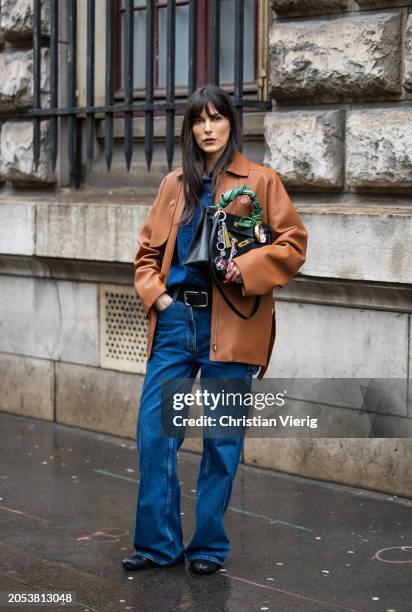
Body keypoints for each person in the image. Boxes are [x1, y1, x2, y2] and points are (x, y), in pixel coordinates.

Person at [122, 84, 308, 575]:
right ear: (190, 128)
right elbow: (145, 257)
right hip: (176, 322)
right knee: (154, 437)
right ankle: (158, 545)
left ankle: (206, 549)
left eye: (216, 119)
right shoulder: (173, 185)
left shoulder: (261, 181)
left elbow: (292, 245)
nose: (207, 129)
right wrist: (158, 297)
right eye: (198, 120)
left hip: (231, 326)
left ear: (231, 123)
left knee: (221, 443)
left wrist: (246, 269)